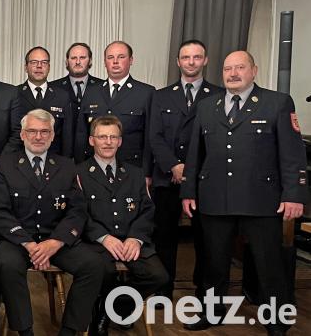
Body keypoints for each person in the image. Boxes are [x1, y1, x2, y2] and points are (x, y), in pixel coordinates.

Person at [181, 51, 308, 336]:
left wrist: (295, 194)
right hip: (215, 198)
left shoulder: (276, 103)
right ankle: (212, 313)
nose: (233, 73)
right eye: (228, 68)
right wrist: (189, 190)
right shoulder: (206, 106)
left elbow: (292, 155)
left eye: (240, 67)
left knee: (268, 264)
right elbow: (194, 155)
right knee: (213, 265)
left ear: (254, 70)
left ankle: (277, 319)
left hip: (261, 200)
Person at [0, 109, 110, 336]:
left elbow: (77, 211)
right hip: (17, 241)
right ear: (23, 135)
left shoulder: (66, 166)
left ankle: (70, 330)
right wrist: (29, 245)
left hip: (55, 239)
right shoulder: (4, 165)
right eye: (32, 131)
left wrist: (55, 242)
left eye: (44, 132)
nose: (38, 137)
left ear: (53, 136)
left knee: (93, 265)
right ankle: (25, 330)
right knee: (8, 266)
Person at [77, 115, 168, 336]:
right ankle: (110, 310)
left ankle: (109, 310)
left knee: (158, 276)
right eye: (102, 137)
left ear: (120, 141)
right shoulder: (78, 173)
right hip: (97, 243)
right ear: (91, 141)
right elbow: (77, 214)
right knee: (102, 272)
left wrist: (135, 238)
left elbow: (147, 210)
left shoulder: (135, 174)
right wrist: (104, 237)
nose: (107, 142)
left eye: (113, 137)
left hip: (130, 241)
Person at [148, 40, 222, 299]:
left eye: (197, 57)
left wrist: (191, 169)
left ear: (205, 60)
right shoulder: (161, 95)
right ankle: (162, 290)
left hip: (203, 178)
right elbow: (154, 136)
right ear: (178, 62)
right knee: (164, 238)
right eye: (186, 58)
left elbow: (219, 141)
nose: (191, 62)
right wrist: (174, 165)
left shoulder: (219, 96)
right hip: (166, 177)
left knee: (206, 239)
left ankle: (204, 290)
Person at [75, 41, 154, 182]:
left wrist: (147, 173)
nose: (115, 62)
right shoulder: (92, 91)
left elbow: (150, 137)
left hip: (131, 169)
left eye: (121, 57)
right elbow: (82, 133)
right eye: (110, 57)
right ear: (105, 62)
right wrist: (79, 168)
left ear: (131, 60)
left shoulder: (146, 93)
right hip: (94, 170)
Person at [17, 47, 73, 157]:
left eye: (44, 62)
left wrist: (66, 165)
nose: (39, 66)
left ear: (49, 67)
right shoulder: (14, 94)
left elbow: (67, 136)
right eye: (34, 62)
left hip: (54, 162)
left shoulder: (62, 96)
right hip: (19, 162)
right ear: (25, 67)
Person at [52, 42, 102, 134]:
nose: (78, 62)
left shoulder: (102, 87)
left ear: (90, 61)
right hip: (62, 147)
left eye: (82, 58)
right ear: (67, 61)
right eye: (73, 58)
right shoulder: (53, 88)